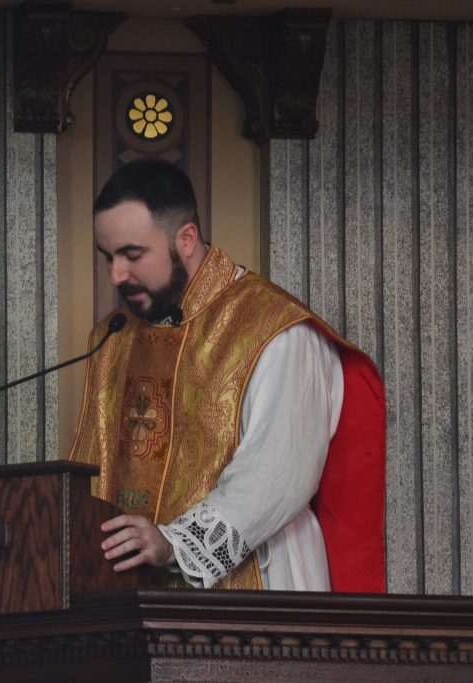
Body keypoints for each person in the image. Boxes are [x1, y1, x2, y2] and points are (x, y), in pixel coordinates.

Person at [68, 158, 386, 592]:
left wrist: (174, 545)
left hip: (261, 584)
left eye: (132, 254)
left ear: (186, 238)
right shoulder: (113, 338)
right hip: (131, 606)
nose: (116, 275)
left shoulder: (273, 329)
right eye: (108, 257)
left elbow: (278, 474)